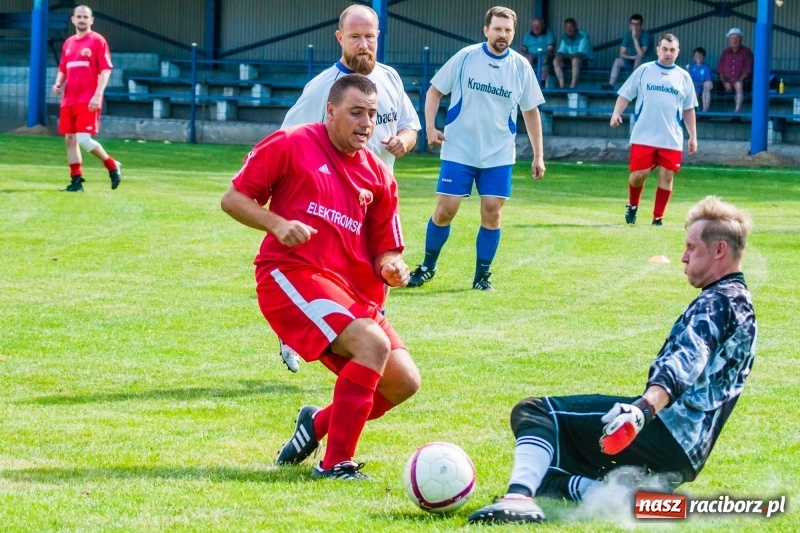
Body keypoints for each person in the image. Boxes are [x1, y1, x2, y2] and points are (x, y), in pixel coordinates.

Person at [467, 195, 757, 525]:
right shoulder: (740, 302)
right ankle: (615, 499)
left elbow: (684, 361)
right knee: (545, 472)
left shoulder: (718, 303)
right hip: (690, 452)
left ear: (719, 250)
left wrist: (642, 410)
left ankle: (517, 500)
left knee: (535, 413)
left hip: (664, 430)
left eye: (691, 247)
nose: (683, 257)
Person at [221, 74, 420, 481]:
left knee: (403, 383)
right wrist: (276, 224)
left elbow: (386, 246)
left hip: (348, 291)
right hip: (289, 275)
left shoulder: (379, 176)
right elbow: (233, 199)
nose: (366, 123)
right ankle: (335, 465)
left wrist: (392, 266)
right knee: (372, 344)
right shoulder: (292, 143)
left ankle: (315, 426)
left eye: (372, 114)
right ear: (330, 112)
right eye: (356, 113)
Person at [278, 4, 421, 373]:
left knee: (380, 273)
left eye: (369, 36)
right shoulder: (322, 89)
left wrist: (404, 141)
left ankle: (371, 350)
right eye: (355, 36)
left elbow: (410, 125)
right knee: (327, 279)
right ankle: (295, 331)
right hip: (333, 206)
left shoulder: (390, 79)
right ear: (340, 38)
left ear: (378, 38)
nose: (363, 44)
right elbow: (286, 140)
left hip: (379, 201)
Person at [407, 6, 546, 292]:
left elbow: (531, 112)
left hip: (498, 153)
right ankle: (427, 266)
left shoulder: (521, 66)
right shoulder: (466, 57)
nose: (502, 34)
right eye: (497, 28)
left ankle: (482, 277)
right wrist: (430, 127)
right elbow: (434, 90)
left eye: (507, 30)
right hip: (459, 148)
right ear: (486, 30)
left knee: (493, 212)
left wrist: (538, 155)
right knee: (446, 210)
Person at [610, 33, 698, 226]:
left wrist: (692, 136)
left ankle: (657, 218)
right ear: (658, 50)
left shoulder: (683, 77)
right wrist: (616, 113)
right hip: (644, 135)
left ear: (678, 52)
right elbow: (625, 94)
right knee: (639, 175)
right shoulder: (644, 70)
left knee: (667, 175)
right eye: (664, 49)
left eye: (672, 50)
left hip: (671, 137)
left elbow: (688, 108)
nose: (668, 53)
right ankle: (633, 205)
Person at [53, 5, 121, 192]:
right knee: (70, 140)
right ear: (73, 19)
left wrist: (97, 94)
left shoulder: (97, 41)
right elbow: (63, 67)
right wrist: (58, 83)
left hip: (88, 99)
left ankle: (112, 165)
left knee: (83, 139)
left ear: (91, 20)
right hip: (69, 100)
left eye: (86, 17)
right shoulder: (68, 43)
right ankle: (76, 181)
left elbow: (106, 70)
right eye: (79, 17)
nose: (82, 20)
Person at [601, 14, 654, 90]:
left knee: (638, 58)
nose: (635, 27)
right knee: (618, 61)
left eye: (637, 24)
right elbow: (622, 53)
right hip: (634, 60)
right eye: (633, 24)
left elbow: (641, 54)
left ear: (641, 25)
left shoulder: (646, 35)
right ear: (630, 25)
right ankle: (611, 85)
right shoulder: (628, 35)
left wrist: (635, 38)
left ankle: (632, 86)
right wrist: (632, 57)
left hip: (647, 62)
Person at [716, 28, 753, 115]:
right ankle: (703, 113)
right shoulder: (725, 52)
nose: (734, 40)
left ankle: (736, 112)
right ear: (729, 40)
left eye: (737, 38)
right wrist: (725, 83)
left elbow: (747, 71)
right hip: (726, 84)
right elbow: (720, 71)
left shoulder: (747, 52)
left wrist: (735, 83)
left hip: (743, 83)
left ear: (741, 39)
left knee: (738, 84)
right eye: (732, 38)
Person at [553, 18, 592, 89]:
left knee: (575, 60)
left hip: (585, 62)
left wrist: (564, 56)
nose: (569, 29)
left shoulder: (583, 36)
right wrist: (559, 55)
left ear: (576, 26)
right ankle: (562, 86)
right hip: (569, 60)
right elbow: (561, 51)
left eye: (571, 26)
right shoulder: (564, 36)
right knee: (556, 60)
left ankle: (573, 86)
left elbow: (580, 54)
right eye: (566, 27)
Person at [519, 17, 555, 83]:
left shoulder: (548, 34)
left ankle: (542, 84)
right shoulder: (527, 35)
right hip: (530, 57)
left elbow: (550, 49)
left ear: (543, 26)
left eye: (538, 25)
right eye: (534, 25)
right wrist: (525, 55)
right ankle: (524, 84)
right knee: (522, 60)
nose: (536, 27)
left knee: (544, 59)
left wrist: (539, 55)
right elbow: (523, 49)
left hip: (543, 56)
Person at [687, 47, 713, 112]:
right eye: (697, 56)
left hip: (701, 87)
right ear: (694, 57)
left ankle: (705, 111)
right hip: (693, 87)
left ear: (704, 57)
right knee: (693, 93)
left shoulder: (706, 67)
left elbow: (707, 81)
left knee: (706, 87)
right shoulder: (690, 67)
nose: (698, 57)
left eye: (701, 56)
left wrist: (697, 84)